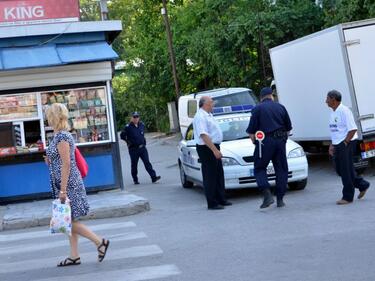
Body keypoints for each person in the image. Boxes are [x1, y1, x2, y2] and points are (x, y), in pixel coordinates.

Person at [44, 103, 109, 267]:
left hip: (69, 185)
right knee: (68, 220)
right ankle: (74, 256)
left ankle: (100, 242)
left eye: (48, 115)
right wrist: (50, 161)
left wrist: (63, 190)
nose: (47, 118)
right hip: (64, 183)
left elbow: (66, 164)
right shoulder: (58, 135)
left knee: (69, 221)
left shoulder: (62, 137)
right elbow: (61, 161)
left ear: (54, 117)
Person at [246, 87, 292, 209]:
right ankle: (280, 199)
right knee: (281, 169)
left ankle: (267, 195)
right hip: (280, 141)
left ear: (261, 98)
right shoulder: (281, 107)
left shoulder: (257, 109)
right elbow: (288, 128)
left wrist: (256, 143)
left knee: (259, 168)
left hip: (264, 142)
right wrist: (283, 141)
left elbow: (251, 132)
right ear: (271, 96)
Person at [326, 90, 370, 205]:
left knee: (346, 170)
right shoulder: (333, 112)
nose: (326, 101)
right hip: (337, 143)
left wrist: (345, 142)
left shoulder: (344, 111)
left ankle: (347, 197)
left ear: (333, 100)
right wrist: (332, 144)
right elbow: (335, 131)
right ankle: (362, 185)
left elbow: (353, 129)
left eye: (327, 99)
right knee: (340, 169)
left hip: (347, 142)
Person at [193, 96, 232, 210]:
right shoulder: (200, 116)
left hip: (213, 146)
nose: (213, 105)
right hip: (207, 148)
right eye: (211, 103)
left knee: (218, 174)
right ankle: (212, 202)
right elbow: (203, 135)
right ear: (205, 104)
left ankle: (221, 198)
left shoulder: (208, 114)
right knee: (210, 176)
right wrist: (214, 150)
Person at [120, 112, 161, 184]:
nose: (136, 119)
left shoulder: (141, 125)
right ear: (131, 118)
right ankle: (135, 179)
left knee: (147, 163)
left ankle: (153, 177)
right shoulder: (128, 127)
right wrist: (127, 142)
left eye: (137, 117)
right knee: (134, 165)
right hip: (133, 149)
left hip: (142, 148)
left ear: (139, 118)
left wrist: (144, 142)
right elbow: (122, 136)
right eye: (134, 117)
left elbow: (142, 134)